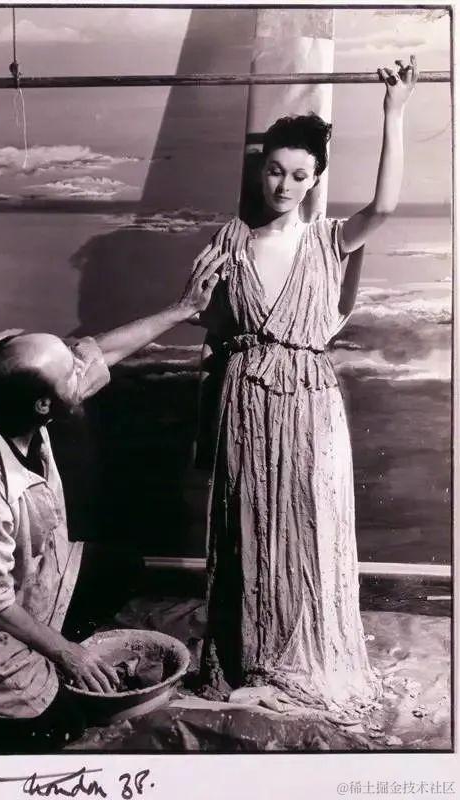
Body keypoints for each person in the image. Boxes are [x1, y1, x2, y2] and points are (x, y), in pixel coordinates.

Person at [0, 248, 224, 753]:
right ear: (45, 405)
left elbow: (100, 353)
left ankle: (51, 643)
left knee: (122, 566)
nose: (82, 371)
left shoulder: (14, 397)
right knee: (58, 726)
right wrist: (70, 655)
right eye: (71, 373)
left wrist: (183, 309)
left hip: (30, 578)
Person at [193, 57, 418, 713]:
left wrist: (394, 112)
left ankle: (301, 656)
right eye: (274, 170)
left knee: (307, 526)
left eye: (298, 174)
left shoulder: (329, 239)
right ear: (259, 170)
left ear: (315, 179)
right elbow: (210, 325)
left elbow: (384, 205)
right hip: (243, 394)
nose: (283, 184)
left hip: (308, 399)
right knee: (245, 525)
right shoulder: (232, 239)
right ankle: (250, 658)